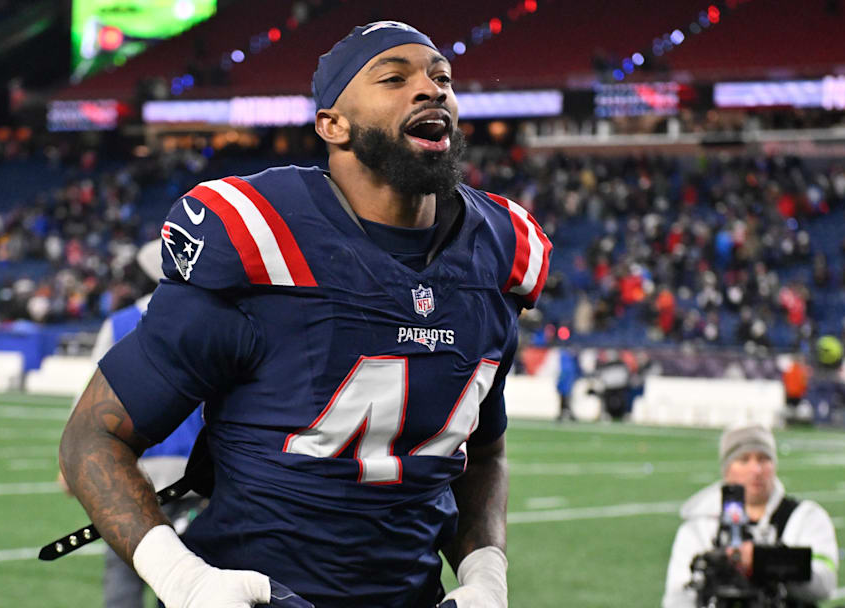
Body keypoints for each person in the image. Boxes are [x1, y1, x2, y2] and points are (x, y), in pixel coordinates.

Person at [58, 20, 551, 608]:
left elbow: (483, 448)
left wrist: (483, 572)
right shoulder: (263, 238)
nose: (431, 89)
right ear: (331, 124)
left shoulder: (498, 251)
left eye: (442, 77)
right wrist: (185, 581)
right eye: (395, 78)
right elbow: (92, 436)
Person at [57, 240, 206, 608]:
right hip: (201, 477)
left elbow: (91, 403)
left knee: (124, 580)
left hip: (131, 474)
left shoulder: (122, 322)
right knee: (192, 588)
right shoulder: (219, 319)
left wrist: (72, 467)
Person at [662, 424, 839, 608]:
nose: (756, 470)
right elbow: (678, 599)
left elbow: (825, 583)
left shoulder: (805, 517)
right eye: (744, 459)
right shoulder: (699, 526)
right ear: (727, 468)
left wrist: (766, 561)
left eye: (763, 459)